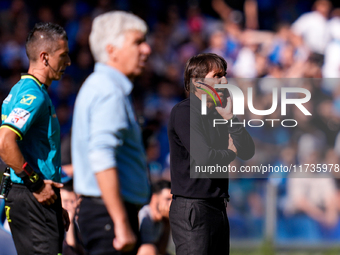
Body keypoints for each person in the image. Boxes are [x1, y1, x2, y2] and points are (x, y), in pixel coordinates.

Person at [71, 11, 151, 255]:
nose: (146, 49)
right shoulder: (109, 91)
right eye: (137, 42)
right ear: (112, 50)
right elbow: (101, 156)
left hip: (104, 213)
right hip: (108, 215)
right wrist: (120, 222)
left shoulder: (102, 85)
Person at [168, 53, 255, 255]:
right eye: (217, 75)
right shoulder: (185, 111)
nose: (224, 81)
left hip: (217, 207)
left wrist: (230, 118)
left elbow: (248, 150)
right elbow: (205, 157)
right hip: (193, 208)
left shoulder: (219, 112)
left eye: (224, 75)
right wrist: (230, 152)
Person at [0, 22, 71, 255]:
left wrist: (54, 202)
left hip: (36, 198)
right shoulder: (33, 95)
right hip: (30, 196)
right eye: (63, 55)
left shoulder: (23, 89)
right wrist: (37, 184)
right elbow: (4, 142)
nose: (68, 62)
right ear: (44, 57)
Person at [138, 180, 172, 255]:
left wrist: (167, 224)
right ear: (154, 198)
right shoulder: (144, 216)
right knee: (149, 249)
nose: (171, 204)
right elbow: (150, 250)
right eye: (168, 199)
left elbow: (161, 250)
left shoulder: (161, 220)